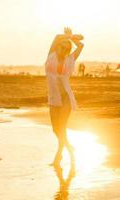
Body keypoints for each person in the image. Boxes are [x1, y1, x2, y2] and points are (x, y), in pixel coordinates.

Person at [45, 27, 84, 166]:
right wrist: (69, 35)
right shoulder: (51, 55)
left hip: (66, 97)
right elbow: (56, 36)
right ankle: (68, 147)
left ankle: (59, 156)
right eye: (61, 46)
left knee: (62, 127)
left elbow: (81, 45)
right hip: (53, 98)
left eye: (66, 48)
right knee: (55, 129)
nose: (63, 49)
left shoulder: (70, 58)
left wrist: (72, 39)